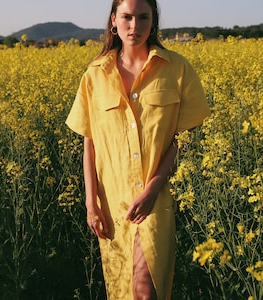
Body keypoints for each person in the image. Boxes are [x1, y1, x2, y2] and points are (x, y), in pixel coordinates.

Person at [66, 0, 211, 298]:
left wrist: (152, 189)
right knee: (123, 289)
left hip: (156, 199)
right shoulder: (94, 75)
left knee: (146, 290)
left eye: (143, 17)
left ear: (153, 21)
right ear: (113, 21)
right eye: (127, 17)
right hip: (111, 201)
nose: (135, 26)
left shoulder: (178, 69)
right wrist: (91, 205)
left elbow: (183, 139)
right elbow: (89, 143)